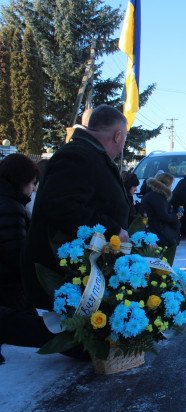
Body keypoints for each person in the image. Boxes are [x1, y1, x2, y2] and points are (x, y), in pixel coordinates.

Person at [21, 104, 131, 312]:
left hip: (80, 273)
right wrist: (113, 229)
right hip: (64, 278)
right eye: (125, 137)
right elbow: (61, 206)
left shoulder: (90, 155)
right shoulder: (78, 156)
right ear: (118, 136)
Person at [0, 154, 55, 364]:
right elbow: (14, 255)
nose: (33, 189)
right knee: (34, 329)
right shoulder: (10, 208)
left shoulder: (9, 203)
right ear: (20, 180)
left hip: (7, 287)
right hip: (8, 289)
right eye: (32, 183)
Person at [139, 172, 182, 252]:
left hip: (152, 228)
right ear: (166, 184)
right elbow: (164, 216)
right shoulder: (157, 196)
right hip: (155, 231)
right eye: (171, 184)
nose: (171, 186)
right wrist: (176, 217)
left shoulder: (153, 194)